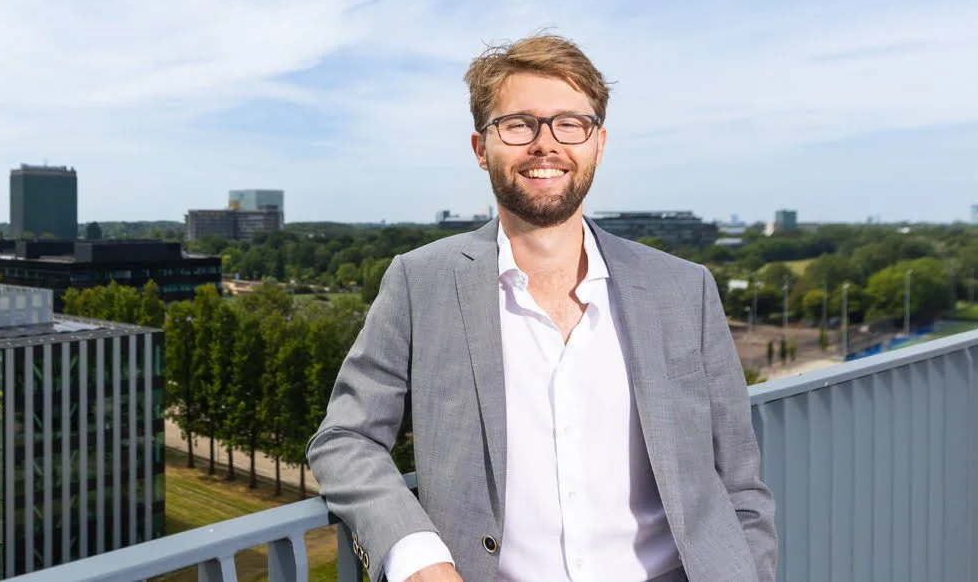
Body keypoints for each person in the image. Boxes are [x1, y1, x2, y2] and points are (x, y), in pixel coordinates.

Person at [307, 34, 776, 582]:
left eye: (568, 124)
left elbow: (741, 484)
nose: (545, 145)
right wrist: (417, 558)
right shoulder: (420, 282)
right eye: (518, 124)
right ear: (482, 148)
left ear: (598, 143)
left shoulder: (684, 289)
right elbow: (346, 438)